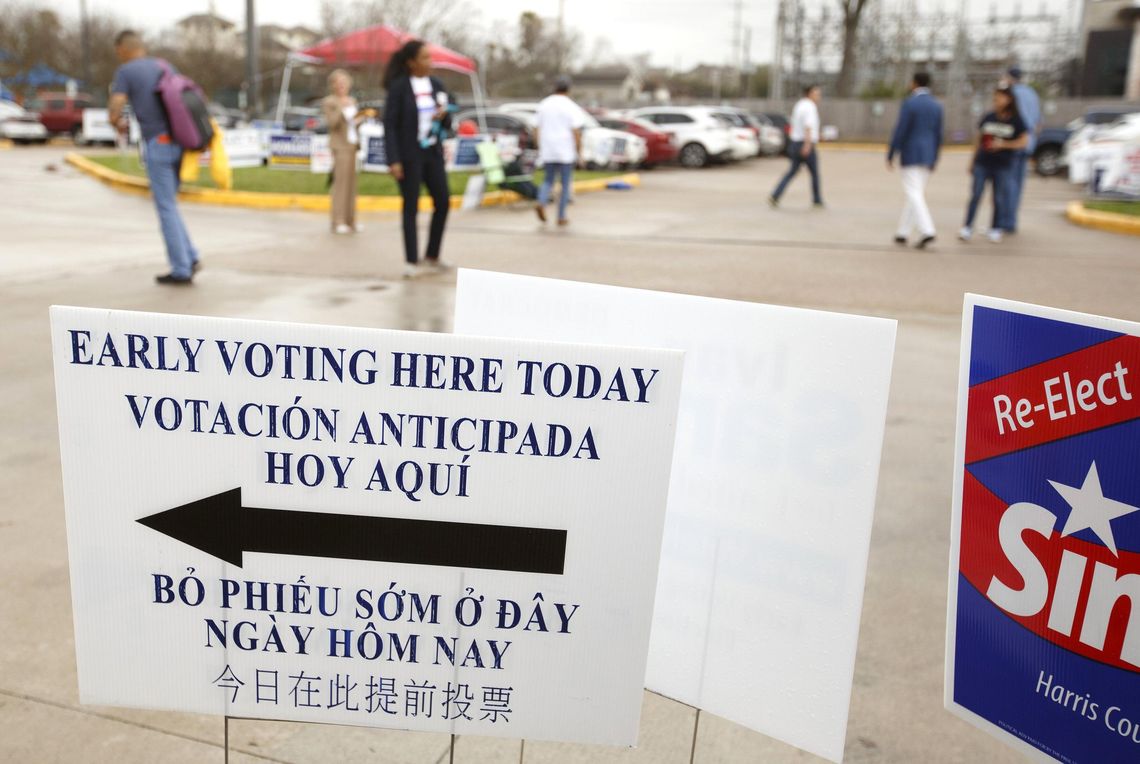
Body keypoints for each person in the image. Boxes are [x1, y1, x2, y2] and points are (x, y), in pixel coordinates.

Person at [108, 30, 199, 285]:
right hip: (179, 142)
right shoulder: (164, 65)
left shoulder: (126, 72)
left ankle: (181, 268)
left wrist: (116, 123)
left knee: (165, 207)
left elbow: (116, 107)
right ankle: (190, 255)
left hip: (157, 144)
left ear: (123, 49)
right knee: (171, 204)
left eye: (118, 52)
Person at [382, 40, 452, 278]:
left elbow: (448, 119)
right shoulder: (399, 87)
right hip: (408, 155)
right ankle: (411, 260)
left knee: (443, 201)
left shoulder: (436, 84)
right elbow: (389, 125)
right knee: (411, 206)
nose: (429, 62)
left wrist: (444, 115)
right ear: (411, 62)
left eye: (430, 57)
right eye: (424, 58)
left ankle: (432, 254)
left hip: (432, 152)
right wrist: (393, 159)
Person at [959, 86, 1028, 244]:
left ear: (1009, 99)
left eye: (999, 98)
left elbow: (1024, 141)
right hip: (983, 163)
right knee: (976, 195)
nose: (996, 101)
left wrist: (1003, 144)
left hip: (1002, 165)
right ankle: (967, 227)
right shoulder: (989, 117)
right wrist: (972, 161)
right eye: (995, 98)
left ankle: (995, 228)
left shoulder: (1016, 120)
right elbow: (978, 139)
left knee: (998, 198)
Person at [887, 72, 944, 249]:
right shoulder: (936, 105)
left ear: (914, 83)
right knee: (915, 193)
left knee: (914, 193)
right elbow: (938, 134)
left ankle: (927, 230)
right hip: (928, 155)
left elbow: (901, 130)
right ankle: (902, 232)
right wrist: (935, 157)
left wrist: (891, 153)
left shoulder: (910, 103)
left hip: (911, 153)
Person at [321, 69, 370, 235]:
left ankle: (351, 220)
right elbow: (332, 123)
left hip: (352, 145)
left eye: (344, 82)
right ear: (333, 85)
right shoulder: (330, 102)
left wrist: (360, 119)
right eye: (339, 83)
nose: (342, 86)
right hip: (339, 146)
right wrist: (341, 109)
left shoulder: (352, 100)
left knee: (351, 185)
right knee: (340, 184)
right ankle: (338, 220)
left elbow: (352, 124)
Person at [534, 76, 584, 226]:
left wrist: (539, 146)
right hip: (565, 151)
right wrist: (579, 151)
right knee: (564, 183)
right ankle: (561, 216)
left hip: (548, 149)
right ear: (568, 89)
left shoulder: (544, 104)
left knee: (548, 180)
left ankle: (541, 202)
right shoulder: (571, 106)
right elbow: (576, 131)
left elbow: (536, 128)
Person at [769, 84, 823, 209]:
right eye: (817, 94)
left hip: (795, 143)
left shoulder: (799, 105)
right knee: (814, 173)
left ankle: (776, 195)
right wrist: (807, 145)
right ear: (809, 94)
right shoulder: (810, 107)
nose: (819, 97)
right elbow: (808, 126)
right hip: (805, 144)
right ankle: (817, 199)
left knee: (792, 171)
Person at [1003, 66, 1040, 234]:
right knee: (1018, 184)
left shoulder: (1010, 94)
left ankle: (1006, 221)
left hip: (1013, 143)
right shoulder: (1032, 94)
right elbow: (1038, 122)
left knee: (1007, 184)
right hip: (1028, 143)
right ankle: (1012, 220)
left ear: (1010, 77)